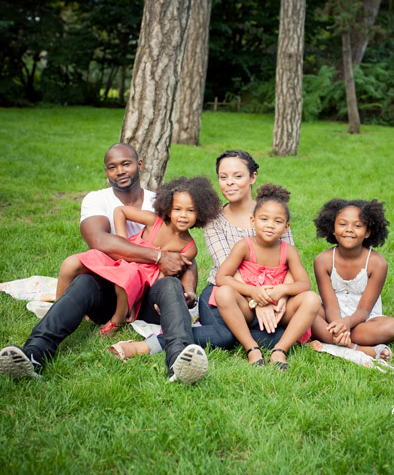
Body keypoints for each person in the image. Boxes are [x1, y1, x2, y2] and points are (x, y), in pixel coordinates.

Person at [0, 143, 208, 385]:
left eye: (126, 164)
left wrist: (188, 290)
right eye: (112, 167)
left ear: (139, 165)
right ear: (106, 172)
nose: (120, 171)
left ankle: (178, 363)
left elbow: (187, 261)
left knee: (171, 285)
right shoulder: (97, 200)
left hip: (149, 296)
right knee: (84, 281)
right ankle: (34, 354)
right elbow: (99, 241)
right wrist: (158, 256)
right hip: (110, 289)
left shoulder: (160, 201)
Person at [105, 150, 295, 361]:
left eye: (238, 176)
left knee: (283, 329)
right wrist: (258, 300)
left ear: (253, 177)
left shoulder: (274, 215)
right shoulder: (215, 221)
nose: (230, 182)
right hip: (222, 292)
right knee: (225, 336)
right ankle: (147, 345)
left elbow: (288, 262)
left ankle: (246, 336)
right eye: (223, 177)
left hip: (271, 293)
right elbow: (228, 269)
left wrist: (280, 297)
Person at [56, 176, 220, 338]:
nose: (183, 215)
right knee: (71, 263)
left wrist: (138, 299)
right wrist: (123, 241)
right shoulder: (153, 221)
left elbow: (166, 275)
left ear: (200, 212)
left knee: (126, 276)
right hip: (124, 258)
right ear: (168, 207)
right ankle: (58, 310)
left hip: (143, 277)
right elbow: (120, 211)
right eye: (177, 209)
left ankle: (118, 320)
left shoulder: (189, 248)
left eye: (190, 210)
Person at [214, 184, 320, 371]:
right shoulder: (244, 246)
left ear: (286, 227)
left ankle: (280, 350)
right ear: (253, 220)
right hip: (248, 307)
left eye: (278, 221)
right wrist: (253, 292)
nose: (270, 225)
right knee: (223, 294)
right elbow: (222, 277)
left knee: (313, 299)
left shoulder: (288, 251)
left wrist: (282, 290)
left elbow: (304, 284)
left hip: (279, 310)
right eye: (264, 219)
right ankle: (251, 348)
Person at [310, 198, 394, 360]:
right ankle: (355, 347)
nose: (349, 230)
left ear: (368, 232)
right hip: (331, 317)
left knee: (392, 327)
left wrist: (347, 324)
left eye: (357, 225)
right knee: (304, 307)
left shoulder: (377, 263)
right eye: (343, 224)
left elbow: (364, 310)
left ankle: (333, 341)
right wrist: (339, 326)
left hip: (363, 321)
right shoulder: (322, 260)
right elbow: (330, 305)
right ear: (332, 228)